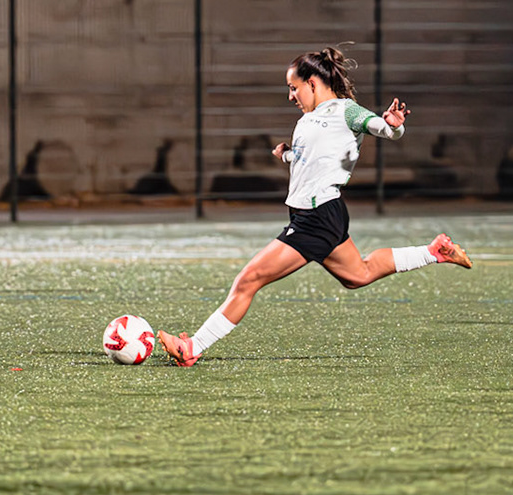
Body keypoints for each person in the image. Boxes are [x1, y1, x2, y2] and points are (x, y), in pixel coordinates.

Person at [157, 46, 471, 367]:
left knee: (248, 280)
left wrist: (394, 124)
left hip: (316, 219)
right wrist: (288, 156)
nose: (291, 96)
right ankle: (434, 252)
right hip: (321, 214)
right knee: (358, 275)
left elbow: (385, 129)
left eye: (294, 88)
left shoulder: (345, 111)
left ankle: (192, 347)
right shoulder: (310, 118)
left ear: (312, 83)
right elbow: (313, 161)